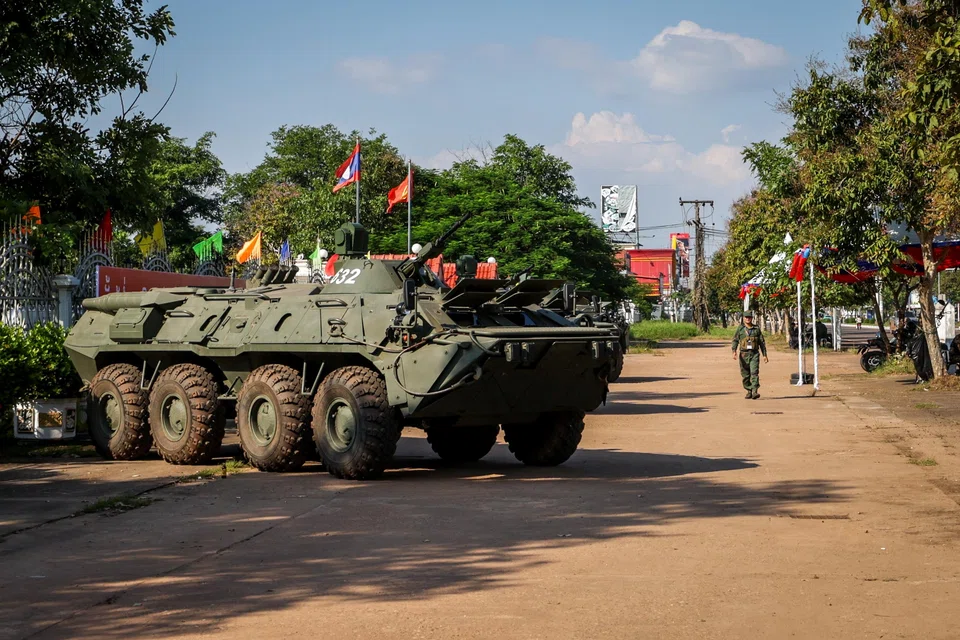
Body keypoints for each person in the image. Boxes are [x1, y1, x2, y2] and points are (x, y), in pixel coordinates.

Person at [732, 310, 768, 399]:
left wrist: (764, 355)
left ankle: (755, 391)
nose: (748, 319)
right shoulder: (740, 329)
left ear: (752, 318)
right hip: (744, 355)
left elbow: (762, 342)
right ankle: (749, 390)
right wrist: (734, 351)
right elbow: (735, 340)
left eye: (749, 317)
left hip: (754, 354)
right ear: (743, 318)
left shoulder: (756, 329)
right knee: (745, 375)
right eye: (746, 317)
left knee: (754, 373)